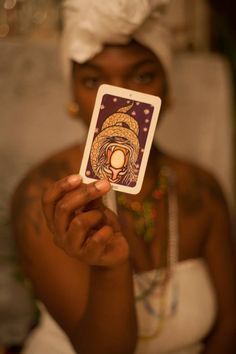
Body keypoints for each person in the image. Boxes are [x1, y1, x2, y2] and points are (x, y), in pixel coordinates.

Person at [11, 1, 236, 353]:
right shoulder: (46, 195)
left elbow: (229, 329)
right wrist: (109, 269)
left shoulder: (201, 189)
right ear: (72, 96)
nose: (118, 97)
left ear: (168, 89)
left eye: (142, 76)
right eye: (93, 79)